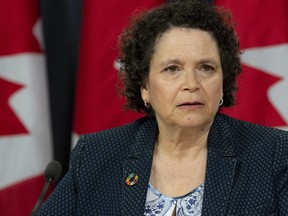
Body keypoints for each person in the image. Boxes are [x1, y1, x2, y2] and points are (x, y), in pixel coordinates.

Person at [37, 0, 288, 215]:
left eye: (206, 68)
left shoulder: (273, 154)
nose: (192, 84)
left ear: (223, 83)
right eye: (172, 69)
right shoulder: (97, 155)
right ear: (144, 86)